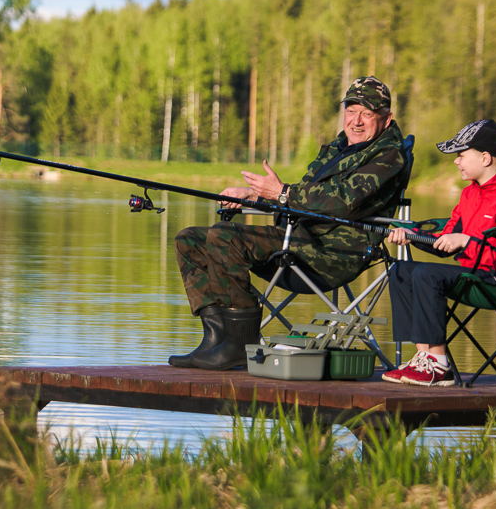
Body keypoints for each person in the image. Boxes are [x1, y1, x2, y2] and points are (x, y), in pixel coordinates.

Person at [170, 76, 410, 370]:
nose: (356, 121)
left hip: (332, 253)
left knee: (226, 237)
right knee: (189, 239)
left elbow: (343, 200)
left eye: (367, 113)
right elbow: (306, 195)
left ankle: (238, 344)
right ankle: (216, 337)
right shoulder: (339, 148)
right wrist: (256, 197)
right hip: (298, 239)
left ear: (386, 120)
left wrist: (282, 193)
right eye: (351, 110)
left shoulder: (389, 156)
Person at [382, 119, 496, 387]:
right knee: (401, 270)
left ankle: (438, 364)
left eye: (461, 155)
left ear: (485, 158)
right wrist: (412, 237)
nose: (456, 161)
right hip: (472, 273)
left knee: (427, 274)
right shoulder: (468, 195)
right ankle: (423, 356)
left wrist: (465, 241)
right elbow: (443, 241)